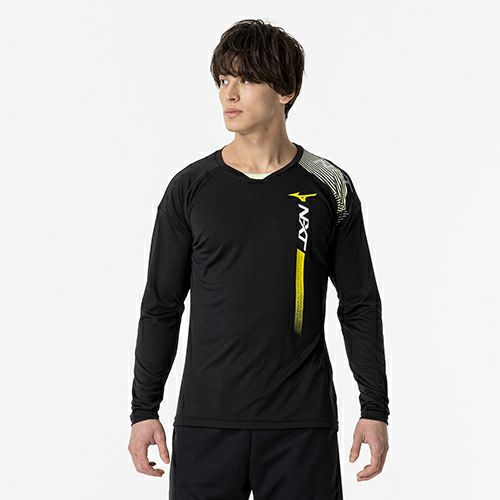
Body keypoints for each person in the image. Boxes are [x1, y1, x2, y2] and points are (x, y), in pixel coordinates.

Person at [128, 18, 390, 499]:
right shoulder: (190, 189)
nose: (229, 94)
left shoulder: (328, 186)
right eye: (223, 80)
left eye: (246, 79)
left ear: (285, 90)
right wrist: (144, 410)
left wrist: (374, 408)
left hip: (301, 428)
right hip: (207, 425)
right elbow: (162, 305)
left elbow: (359, 303)